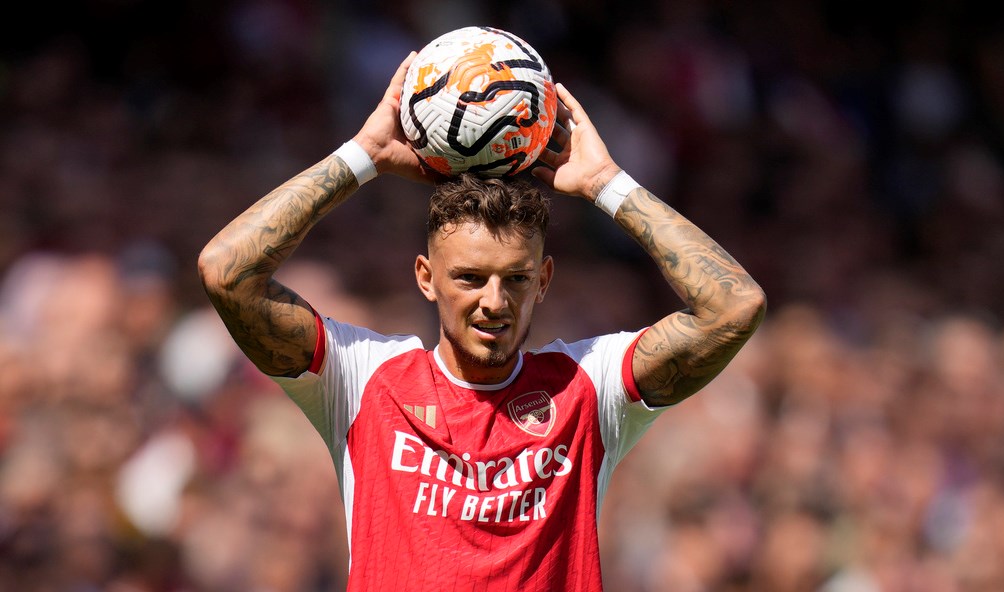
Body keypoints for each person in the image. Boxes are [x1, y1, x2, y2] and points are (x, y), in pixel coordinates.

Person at [198, 50, 766, 591]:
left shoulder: (588, 387)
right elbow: (226, 271)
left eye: (515, 279)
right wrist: (362, 155)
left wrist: (607, 185)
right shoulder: (363, 378)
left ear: (543, 281)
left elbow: (735, 306)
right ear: (426, 278)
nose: (494, 301)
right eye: (469, 278)